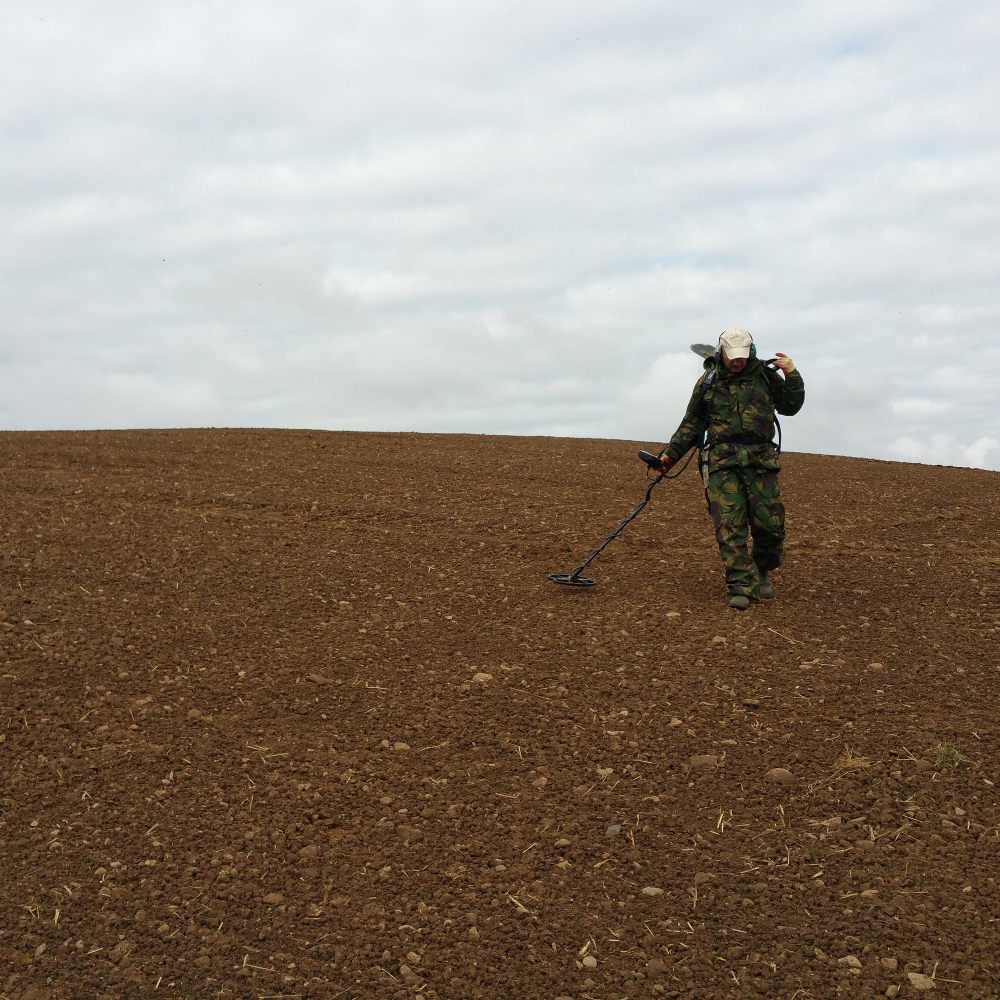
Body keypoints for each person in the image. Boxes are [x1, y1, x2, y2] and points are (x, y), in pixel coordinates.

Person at [657, 328, 805, 610]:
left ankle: (762, 569)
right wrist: (668, 457)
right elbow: (691, 424)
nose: (736, 362)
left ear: (752, 352)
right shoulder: (708, 382)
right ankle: (740, 585)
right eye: (731, 356)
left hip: (760, 459)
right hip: (722, 461)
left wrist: (793, 375)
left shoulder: (765, 377)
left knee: (770, 527)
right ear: (721, 352)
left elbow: (790, 406)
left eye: (742, 356)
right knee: (729, 525)